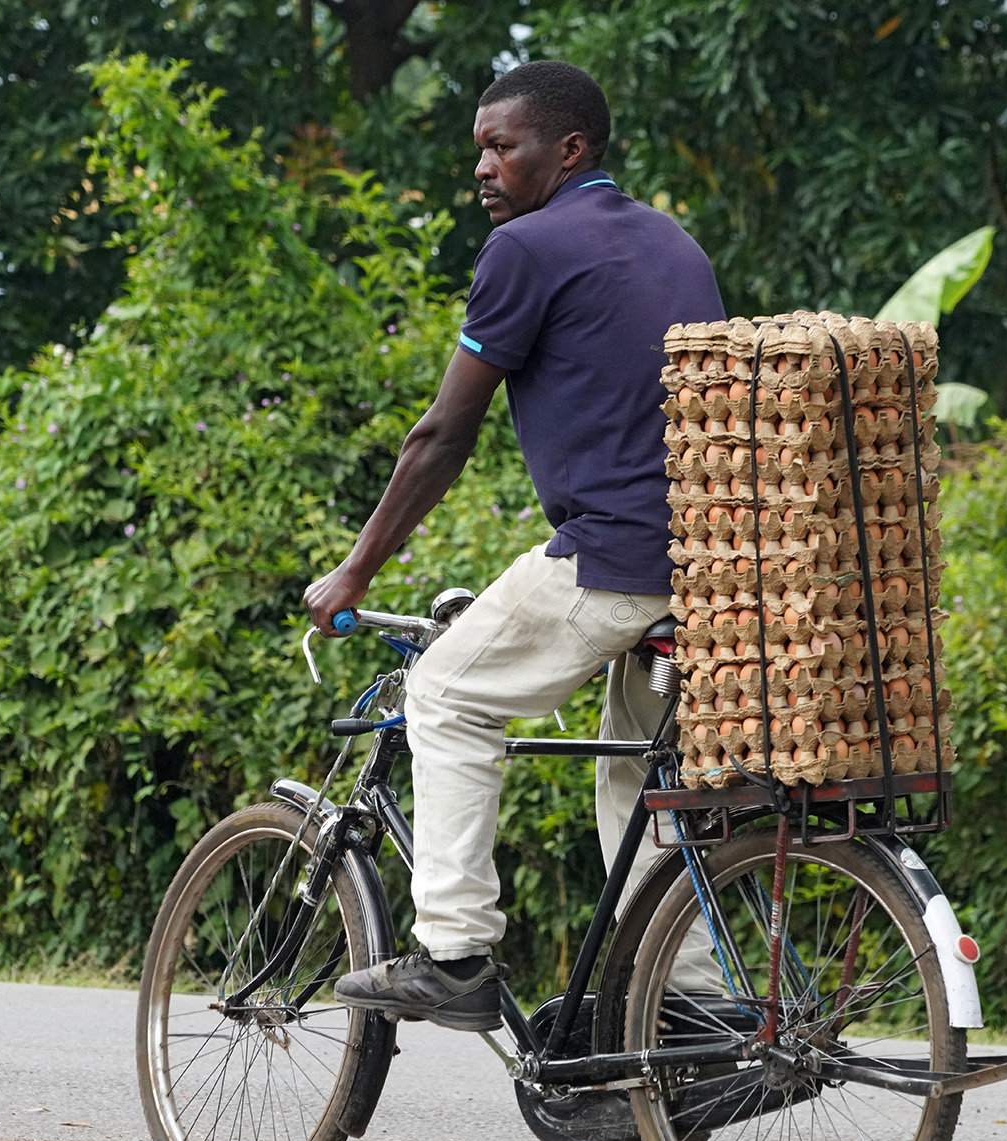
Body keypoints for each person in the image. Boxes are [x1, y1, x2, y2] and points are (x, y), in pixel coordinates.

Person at [301, 61, 726, 1031]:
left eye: (503, 146)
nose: (482, 169)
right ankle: (687, 1013)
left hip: (613, 553)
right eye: (478, 150)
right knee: (636, 780)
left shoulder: (526, 250)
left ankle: (450, 953)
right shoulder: (671, 240)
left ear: (567, 149)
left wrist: (355, 570)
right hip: (704, 565)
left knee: (444, 694)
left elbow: (441, 435)